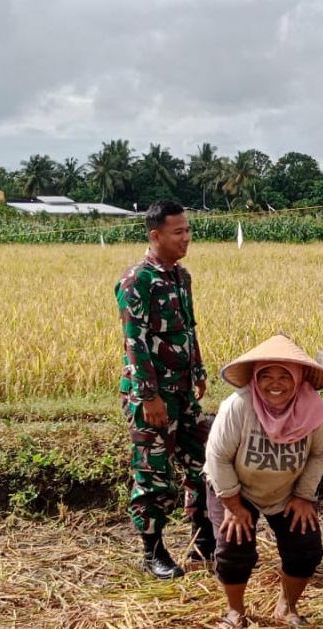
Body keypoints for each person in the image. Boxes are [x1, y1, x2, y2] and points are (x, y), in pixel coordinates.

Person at [203, 335, 323, 629]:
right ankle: (235, 612)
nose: (274, 384)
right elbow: (217, 456)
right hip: (235, 486)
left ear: (298, 379)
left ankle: (286, 606)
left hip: (287, 490)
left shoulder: (315, 412)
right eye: (266, 376)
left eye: (284, 376)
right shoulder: (238, 406)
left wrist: (303, 496)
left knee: (306, 547)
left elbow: (321, 452)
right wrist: (233, 505)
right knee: (233, 545)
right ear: (255, 379)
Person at [115, 200, 214, 579]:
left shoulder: (180, 277)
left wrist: (199, 370)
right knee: (154, 474)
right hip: (152, 396)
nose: (187, 238)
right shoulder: (137, 280)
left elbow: (189, 329)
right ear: (155, 235)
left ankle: (203, 540)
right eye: (179, 232)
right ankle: (152, 552)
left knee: (202, 463)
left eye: (188, 230)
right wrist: (149, 396)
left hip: (184, 391)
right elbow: (135, 342)